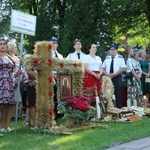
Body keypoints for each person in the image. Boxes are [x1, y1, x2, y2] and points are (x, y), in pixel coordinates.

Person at [0, 39, 19, 132]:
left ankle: (7, 126)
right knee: (2, 105)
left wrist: (17, 74)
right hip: (1, 83)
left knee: (10, 105)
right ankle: (2, 126)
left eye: (4, 44)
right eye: (0, 44)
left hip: (10, 83)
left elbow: (13, 70)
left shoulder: (9, 58)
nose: (2, 46)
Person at [102, 43, 126, 109]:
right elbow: (103, 68)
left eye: (114, 50)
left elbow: (123, 68)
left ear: (116, 50)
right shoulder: (107, 58)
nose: (112, 51)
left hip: (117, 77)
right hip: (108, 78)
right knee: (107, 92)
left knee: (118, 92)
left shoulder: (120, 58)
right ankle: (108, 108)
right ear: (109, 51)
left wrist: (114, 74)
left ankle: (119, 108)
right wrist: (107, 74)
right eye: (111, 50)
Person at [7, 41, 24, 121]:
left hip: (19, 81)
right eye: (15, 47)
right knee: (11, 101)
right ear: (11, 48)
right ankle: (11, 116)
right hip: (10, 81)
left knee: (19, 100)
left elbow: (22, 70)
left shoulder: (18, 59)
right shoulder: (7, 58)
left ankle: (18, 116)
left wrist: (20, 80)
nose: (16, 49)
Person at [50, 37, 63, 119]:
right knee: (51, 95)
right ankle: (50, 113)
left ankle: (56, 112)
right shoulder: (47, 54)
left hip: (59, 77)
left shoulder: (60, 56)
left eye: (55, 43)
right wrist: (52, 74)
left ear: (57, 44)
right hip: (51, 76)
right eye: (52, 43)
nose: (53, 44)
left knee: (58, 96)